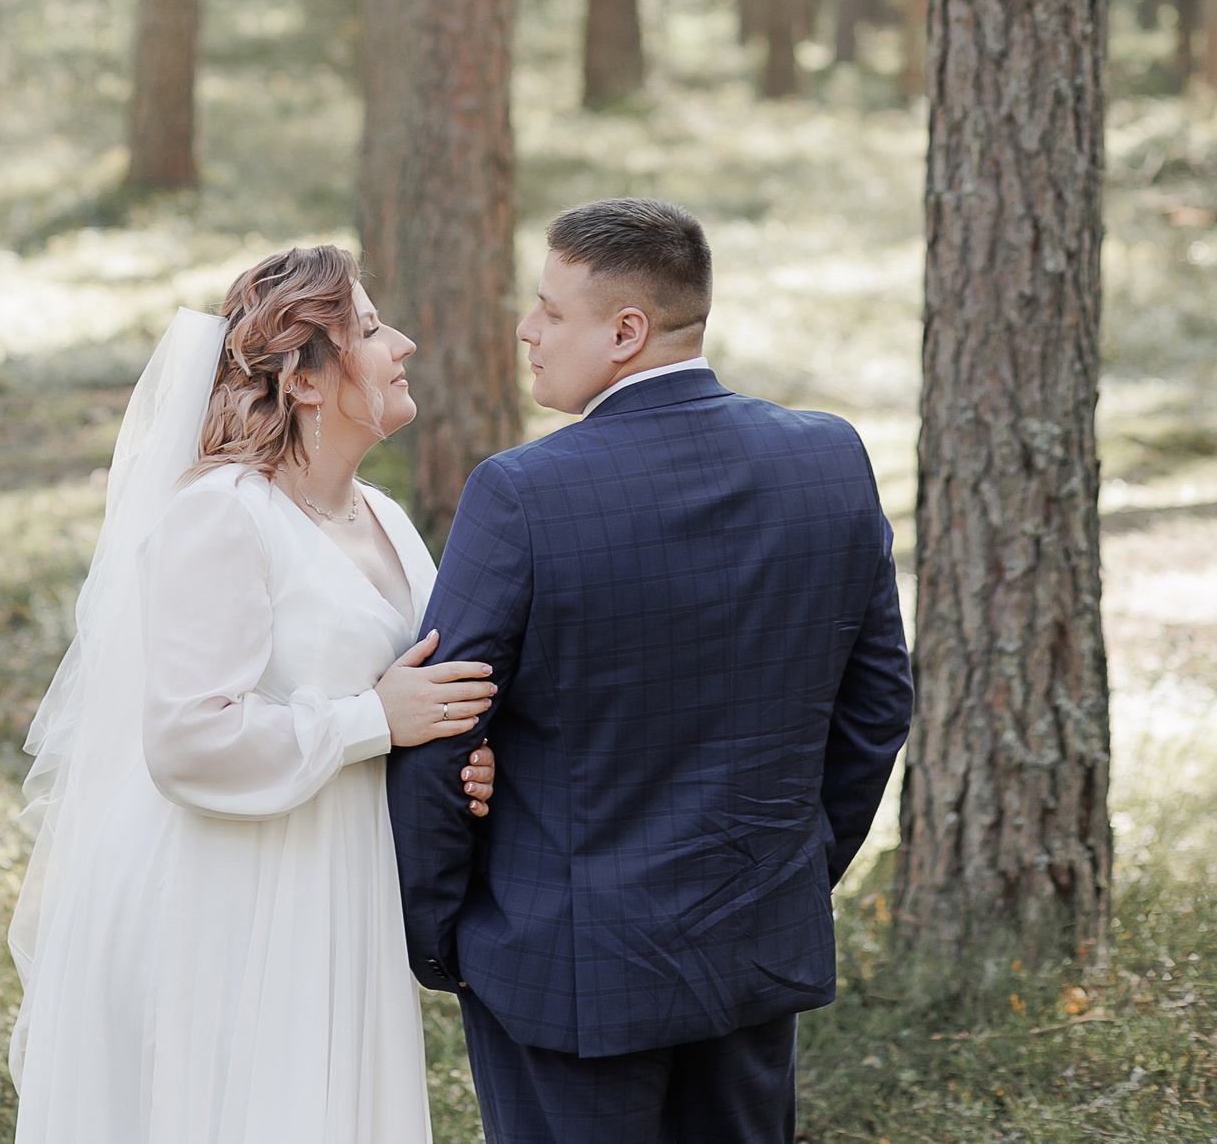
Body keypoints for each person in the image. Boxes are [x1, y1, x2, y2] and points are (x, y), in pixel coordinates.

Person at [388, 197, 914, 1144]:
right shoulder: (830, 458)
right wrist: (786, 874)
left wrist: (445, 932)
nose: (527, 330)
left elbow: (442, 729)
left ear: (626, 330)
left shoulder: (520, 494)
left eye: (550, 309)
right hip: (753, 944)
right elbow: (877, 707)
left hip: (563, 963)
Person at [8, 243, 498, 1144]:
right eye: (370, 327)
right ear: (305, 381)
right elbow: (190, 737)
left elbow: (423, 690)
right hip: (228, 892)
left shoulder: (385, 518)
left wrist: (466, 755)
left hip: (339, 875)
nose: (405, 344)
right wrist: (372, 720)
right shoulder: (223, 512)